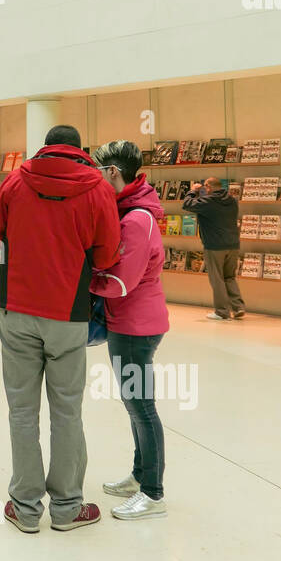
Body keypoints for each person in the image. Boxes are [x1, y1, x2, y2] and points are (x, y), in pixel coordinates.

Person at [0, 125, 121, 535]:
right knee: (67, 410)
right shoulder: (96, 187)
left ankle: (25, 509)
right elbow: (109, 252)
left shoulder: (15, 180)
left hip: (17, 308)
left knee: (22, 411)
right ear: (80, 150)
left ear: (46, 146)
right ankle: (66, 507)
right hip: (68, 313)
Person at [90, 141, 170, 521]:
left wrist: (84, 281)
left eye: (98, 172)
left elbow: (121, 282)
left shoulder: (136, 220)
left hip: (136, 326)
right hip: (132, 322)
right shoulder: (133, 210)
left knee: (141, 407)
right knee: (134, 405)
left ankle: (153, 494)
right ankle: (140, 477)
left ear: (112, 173)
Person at [182, 175, 245, 320]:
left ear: (209, 187)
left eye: (205, 187)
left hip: (215, 246)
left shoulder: (208, 201)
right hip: (233, 245)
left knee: (217, 279)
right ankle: (238, 307)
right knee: (229, 277)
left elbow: (187, 204)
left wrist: (193, 191)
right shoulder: (232, 201)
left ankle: (222, 311)